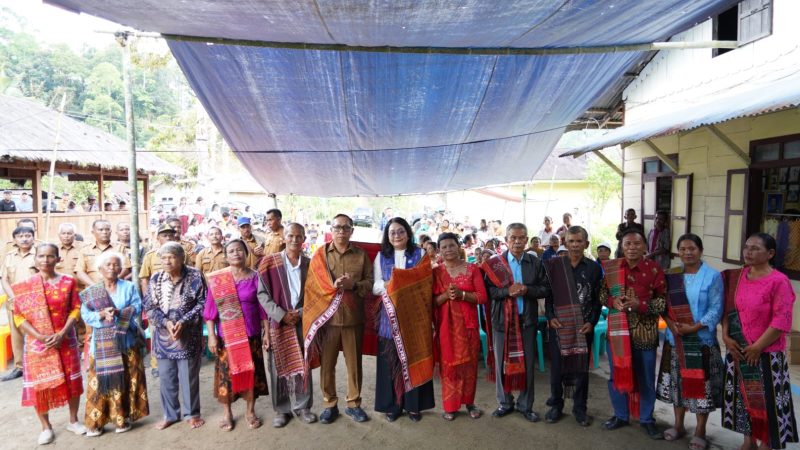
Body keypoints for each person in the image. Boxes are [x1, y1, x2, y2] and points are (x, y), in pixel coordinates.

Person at [721, 233, 798, 450]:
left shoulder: (779, 281)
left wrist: (757, 347)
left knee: (767, 403)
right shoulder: (736, 278)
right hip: (738, 351)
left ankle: (766, 443)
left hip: (766, 354)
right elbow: (727, 310)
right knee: (743, 399)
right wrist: (726, 336)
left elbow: (781, 320)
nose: (748, 252)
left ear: (770, 253)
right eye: (747, 247)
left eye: (755, 248)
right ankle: (748, 441)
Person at [10, 243, 85, 444]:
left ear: (58, 259)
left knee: (72, 380)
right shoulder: (24, 286)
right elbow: (18, 316)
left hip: (65, 339)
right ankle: (45, 427)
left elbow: (76, 308)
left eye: (50, 256)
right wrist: (39, 336)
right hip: (37, 344)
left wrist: (62, 333)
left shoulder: (68, 281)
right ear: (35, 259)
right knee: (40, 386)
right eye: (41, 256)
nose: (45, 260)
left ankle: (73, 421)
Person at [303, 214, 374, 424]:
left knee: (354, 364)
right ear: (331, 230)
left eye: (345, 227)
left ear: (352, 231)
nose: (341, 231)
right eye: (337, 227)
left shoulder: (361, 255)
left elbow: (370, 283)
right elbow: (312, 285)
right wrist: (330, 287)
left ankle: (354, 404)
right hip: (328, 320)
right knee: (327, 365)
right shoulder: (321, 254)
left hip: (353, 318)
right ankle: (329, 405)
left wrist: (354, 285)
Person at [656, 234, 724, 450]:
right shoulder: (671, 275)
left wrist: (694, 328)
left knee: (701, 387)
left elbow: (716, 309)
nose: (687, 252)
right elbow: (662, 305)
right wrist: (670, 324)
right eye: (683, 249)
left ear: (700, 250)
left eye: (692, 248)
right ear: (678, 252)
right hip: (675, 339)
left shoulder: (712, 276)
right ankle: (678, 425)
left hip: (701, 342)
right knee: (678, 384)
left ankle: (700, 430)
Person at [601, 229, 666, 439]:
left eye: (637, 244)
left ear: (645, 246)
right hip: (617, 334)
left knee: (645, 378)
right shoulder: (612, 268)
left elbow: (663, 302)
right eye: (627, 244)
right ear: (622, 247)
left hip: (644, 333)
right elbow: (601, 294)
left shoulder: (654, 269)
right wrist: (613, 301)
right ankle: (621, 415)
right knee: (617, 375)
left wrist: (641, 305)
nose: (632, 248)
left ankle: (646, 419)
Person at [484, 223, 550, 422]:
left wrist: (527, 290)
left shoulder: (535, 262)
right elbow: (488, 292)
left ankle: (525, 405)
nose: (517, 241)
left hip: (526, 321)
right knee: (501, 364)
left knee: (527, 365)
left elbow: (545, 288)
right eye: (513, 237)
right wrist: (507, 291)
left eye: (521, 238)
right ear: (506, 240)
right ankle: (505, 403)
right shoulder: (495, 263)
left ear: (527, 239)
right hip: (502, 322)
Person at [372, 218, 435, 423]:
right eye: (392, 232)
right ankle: (393, 406)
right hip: (388, 319)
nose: (397, 236)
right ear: (387, 236)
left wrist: (404, 285)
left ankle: (413, 406)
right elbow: (375, 286)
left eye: (401, 231)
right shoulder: (382, 256)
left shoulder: (420, 254)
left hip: (414, 319)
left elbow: (426, 283)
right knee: (391, 364)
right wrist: (391, 284)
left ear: (408, 233)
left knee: (413, 360)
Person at [80, 252, 149, 436]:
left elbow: (137, 307)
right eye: (108, 265)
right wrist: (101, 314)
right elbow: (85, 315)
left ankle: (121, 419)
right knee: (100, 383)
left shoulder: (129, 286)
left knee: (124, 380)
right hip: (101, 346)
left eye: (116, 265)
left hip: (126, 342)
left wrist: (119, 312)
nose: (112, 268)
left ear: (121, 268)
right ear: (100, 269)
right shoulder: (92, 291)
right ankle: (96, 422)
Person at [204, 240, 270, 431]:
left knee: (251, 374)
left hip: (251, 335)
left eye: (239, 250)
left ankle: (250, 411)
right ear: (226, 256)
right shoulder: (219, 279)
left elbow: (263, 308)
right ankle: (227, 413)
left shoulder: (255, 277)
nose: (236, 253)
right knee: (227, 376)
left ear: (246, 253)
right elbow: (210, 311)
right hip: (227, 337)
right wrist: (211, 336)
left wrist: (267, 333)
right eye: (231, 251)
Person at [258, 223, 317, 427]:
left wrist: (299, 313)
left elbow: (316, 294)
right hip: (278, 322)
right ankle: (282, 410)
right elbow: (262, 294)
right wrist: (281, 315)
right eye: (290, 235)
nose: (294, 240)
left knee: (303, 364)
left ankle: (303, 406)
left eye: (299, 236)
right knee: (277, 367)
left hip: (302, 320)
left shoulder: (310, 264)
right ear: (284, 238)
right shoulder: (269, 262)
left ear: (304, 239)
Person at [144, 241, 206, 430]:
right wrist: (166, 322)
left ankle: (192, 414)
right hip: (163, 337)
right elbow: (149, 306)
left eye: (171, 257)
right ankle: (170, 415)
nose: (167, 261)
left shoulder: (195, 276)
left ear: (181, 258)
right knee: (166, 377)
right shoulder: (156, 278)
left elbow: (203, 303)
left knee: (189, 377)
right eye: (163, 258)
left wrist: (184, 321)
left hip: (188, 337)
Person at [544, 226, 603, 427]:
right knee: (557, 369)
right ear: (565, 243)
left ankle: (580, 409)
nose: (575, 245)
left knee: (581, 370)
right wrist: (551, 317)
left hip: (582, 328)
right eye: (571, 241)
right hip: (559, 326)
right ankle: (556, 405)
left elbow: (597, 300)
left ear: (586, 244)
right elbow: (549, 296)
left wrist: (591, 322)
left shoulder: (594, 268)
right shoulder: (555, 265)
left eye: (579, 241)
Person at [433, 232, 488, 421]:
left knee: (469, 367)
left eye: (452, 245)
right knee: (449, 367)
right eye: (444, 247)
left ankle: (470, 403)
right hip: (446, 329)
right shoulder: (436, 272)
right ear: (439, 250)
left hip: (468, 325)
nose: (448, 249)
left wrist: (462, 295)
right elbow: (432, 302)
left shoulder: (472, 269)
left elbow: (482, 297)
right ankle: (450, 406)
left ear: (459, 247)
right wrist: (446, 296)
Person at [0, 225, 38, 381]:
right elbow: (4, 280)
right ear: (15, 240)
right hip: (14, 303)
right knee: (16, 336)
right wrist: (15, 298)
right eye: (20, 236)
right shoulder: (9, 256)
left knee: (36, 334)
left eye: (28, 235)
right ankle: (19, 367)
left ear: (33, 237)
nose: (24, 239)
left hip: (36, 303)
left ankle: (37, 366)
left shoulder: (39, 254)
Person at [76, 220, 131, 289]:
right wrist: (95, 286)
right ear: (93, 232)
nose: (104, 232)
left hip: (116, 288)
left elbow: (126, 268)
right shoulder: (85, 250)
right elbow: (80, 272)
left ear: (111, 232)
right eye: (101, 230)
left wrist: (111, 283)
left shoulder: (120, 248)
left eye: (107, 229)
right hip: (93, 289)